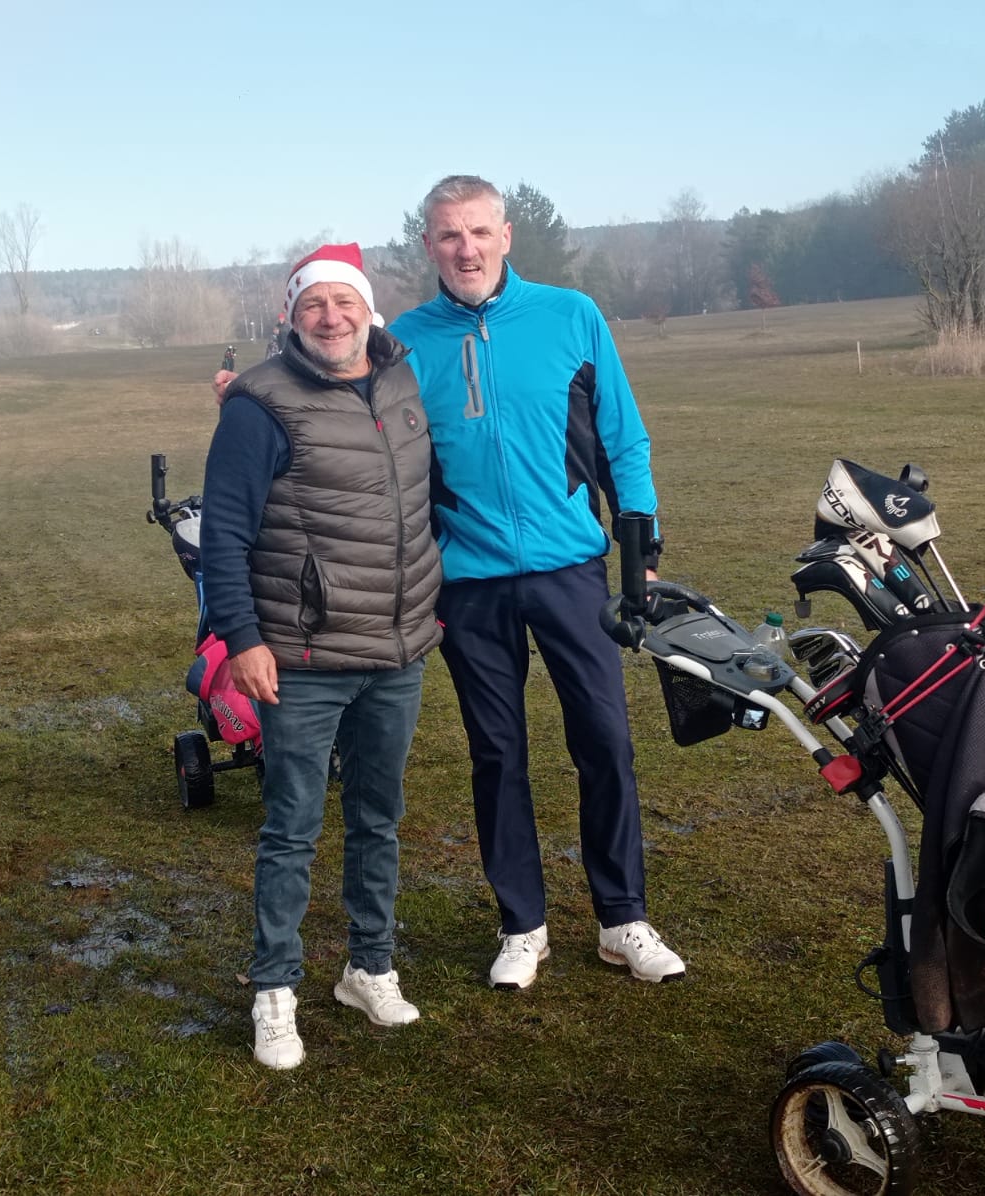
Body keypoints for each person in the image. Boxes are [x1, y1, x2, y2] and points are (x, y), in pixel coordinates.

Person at [390, 175, 684, 990]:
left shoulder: (571, 316)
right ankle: (522, 926)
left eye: (479, 232)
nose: (466, 249)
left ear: (506, 235)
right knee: (497, 753)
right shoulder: (402, 343)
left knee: (606, 741)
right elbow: (337, 407)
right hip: (468, 583)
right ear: (429, 245)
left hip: (570, 570)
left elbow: (624, 439)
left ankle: (622, 918)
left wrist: (640, 551)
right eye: (450, 235)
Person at [200, 243, 442, 1069]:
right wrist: (242, 640)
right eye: (313, 305)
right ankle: (274, 992)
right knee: (292, 829)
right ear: (290, 317)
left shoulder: (402, 382)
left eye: (345, 302)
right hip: (301, 658)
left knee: (378, 817)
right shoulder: (258, 406)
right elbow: (224, 535)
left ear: (369, 310)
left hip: (397, 651)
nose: (331, 318)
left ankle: (369, 967)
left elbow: (426, 498)